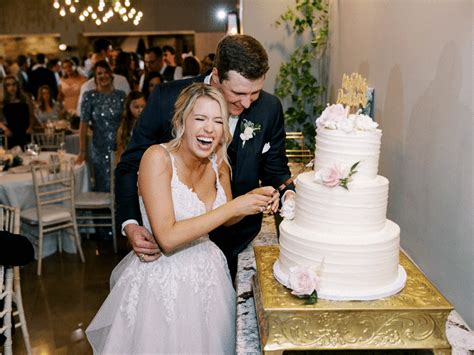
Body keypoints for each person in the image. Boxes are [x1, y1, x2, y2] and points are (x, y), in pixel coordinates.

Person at [87, 83, 277, 353]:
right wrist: (233, 208)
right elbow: (167, 237)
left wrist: (251, 204)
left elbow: (225, 219)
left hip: (209, 277)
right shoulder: (157, 158)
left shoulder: (218, 163)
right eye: (200, 119)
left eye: (218, 121)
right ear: (181, 122)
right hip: (163, 284)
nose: (209, 129)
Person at [116, 34, 295, 280]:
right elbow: (129, 166)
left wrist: (286, 192)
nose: (247, 102)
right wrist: (131, 224)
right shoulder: (167, 99)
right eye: (238, 93)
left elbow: (275, 169)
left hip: (238, 238)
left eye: (255, 93)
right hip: (170, 251)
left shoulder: (269, 108)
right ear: (217, 75)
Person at [76, 60, 125, 192]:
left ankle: (119, 211)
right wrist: (82, 152)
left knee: (120, 181)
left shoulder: (121, 96)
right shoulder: (89, 97)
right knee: (102, 182)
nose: (103, 76)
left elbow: (124, 122)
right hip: (99, 147)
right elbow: (83, 125)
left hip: (119, 146)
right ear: (95, 77)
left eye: (105, 72)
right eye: (99, 73)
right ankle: (103, 210)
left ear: (111, 75)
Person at [0, 75, 37, 149]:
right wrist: (5, 129)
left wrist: (30, 127)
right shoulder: (3, 102)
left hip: (26, 131)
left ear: (17, 85)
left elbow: (31, 115)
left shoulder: (25, 99)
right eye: (8, 85)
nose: (12, 87)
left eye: (14, 84)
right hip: (11, 133)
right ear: (5, 87)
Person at [115, 91, 146, 162]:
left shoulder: (151, 124)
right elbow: (120, 153)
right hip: (130, 164)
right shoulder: (124, 127)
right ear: (129, 107)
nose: (140, 110)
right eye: (136, 107)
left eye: (143, 106)